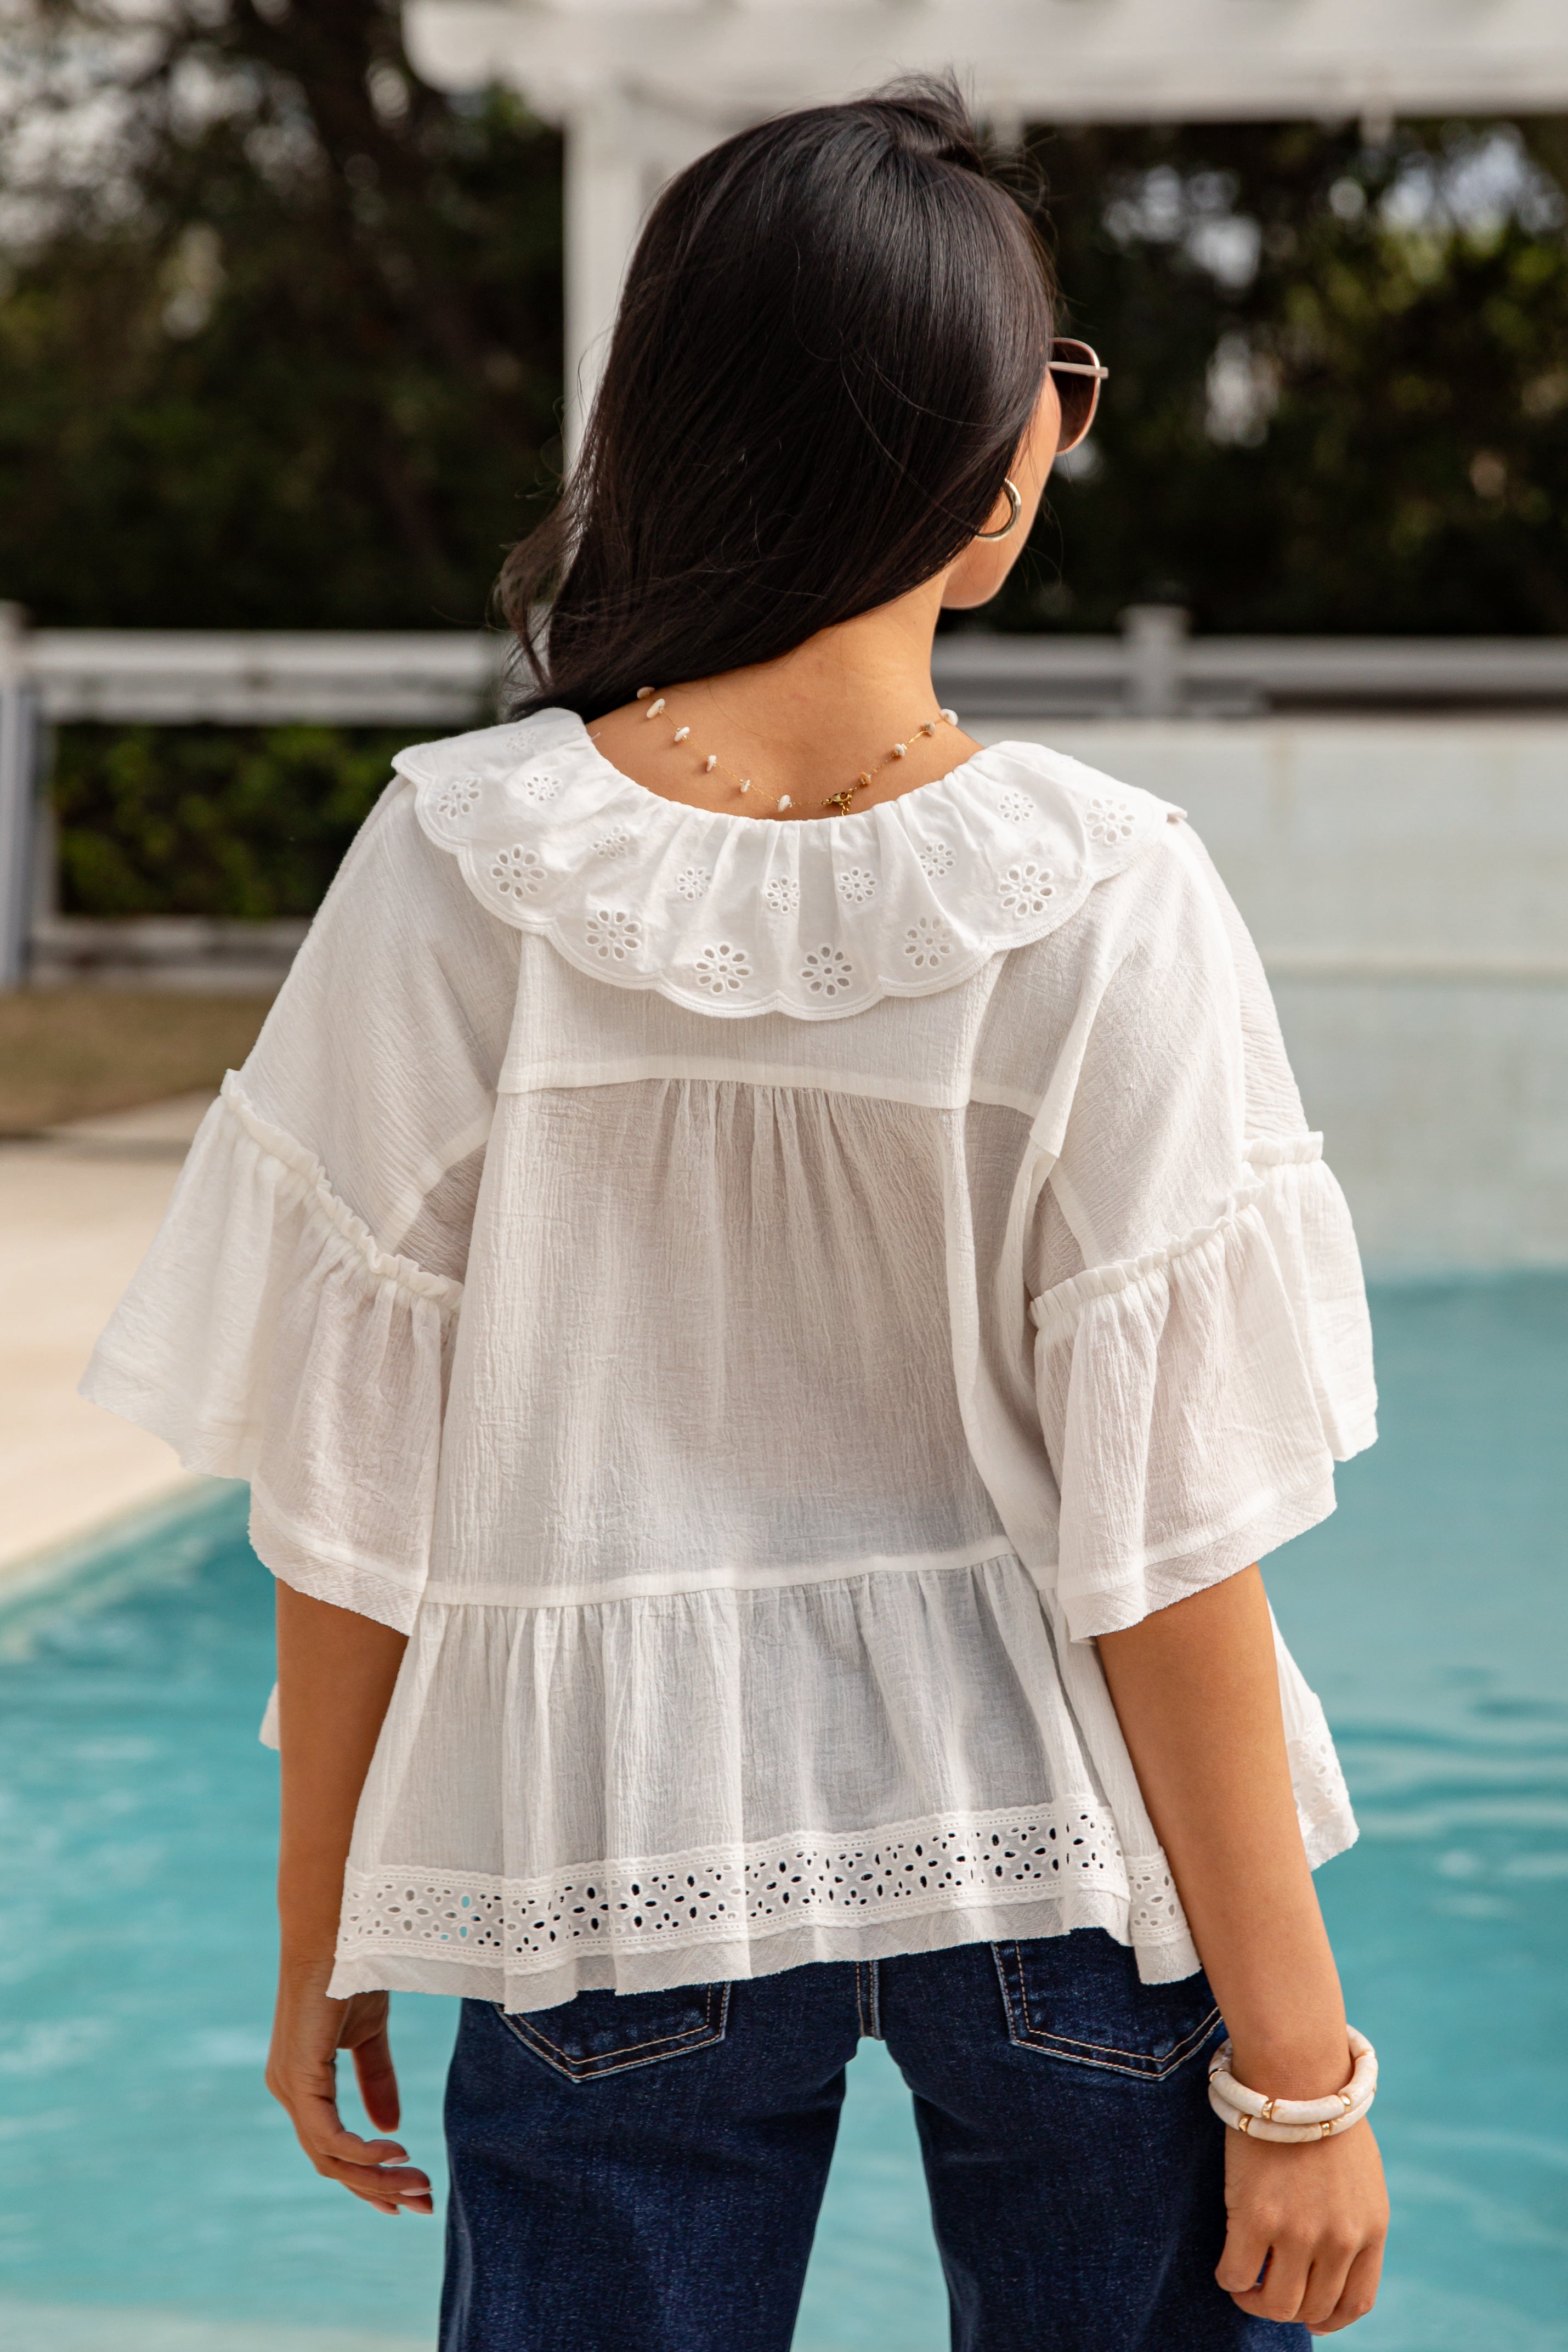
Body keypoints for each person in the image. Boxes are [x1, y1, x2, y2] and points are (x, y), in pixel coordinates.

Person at [84, 80, 1389, 2350]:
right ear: (989, 455)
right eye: (1053, 391)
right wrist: (1303, 2067)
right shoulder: (1106, 892)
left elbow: (347, 1489)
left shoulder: (456, 862)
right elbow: (1166, 1548)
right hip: (1069, 1864)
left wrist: (325, 1944)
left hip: (607, 1862)